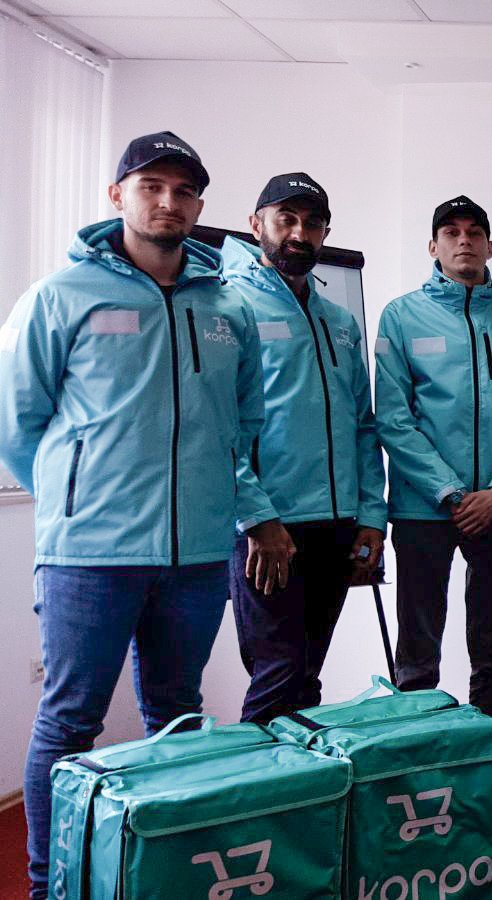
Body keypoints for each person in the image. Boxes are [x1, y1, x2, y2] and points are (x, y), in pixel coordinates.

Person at [0, 132, 264, 899]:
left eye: (183, 191)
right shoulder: (61, 295)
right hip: (90, 555)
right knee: (69, 721)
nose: (167, 202)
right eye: (152, 186)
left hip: (198, 555)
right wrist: (78, 500)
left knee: (178, 716)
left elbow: (243, 424)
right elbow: (18, 422)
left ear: (200, 206)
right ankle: (50, 883)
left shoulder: (229, 306)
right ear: (118, 195)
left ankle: (164, 872)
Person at [373, 196, 492, 714]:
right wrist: (450, 492)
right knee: (417, 655)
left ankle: (489, 744)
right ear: (433, 247)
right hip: (424, 508)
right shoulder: (401, 316)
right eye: (451, 233)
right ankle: (419, 742)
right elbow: (393, 417)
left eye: (475, 232)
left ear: (490, 246)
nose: (464, 241)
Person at [225, 173, 387, 724]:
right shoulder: (230, 307)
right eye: (286, 219)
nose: (299, 232)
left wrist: (371, 517)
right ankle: (255, 778)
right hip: (271, 530)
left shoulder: (338, 321)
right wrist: (257, 518)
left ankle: (303, 778)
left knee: (306, 675)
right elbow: (221, 429)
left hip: (336, 526)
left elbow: (363, 426)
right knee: (277, 673)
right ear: (256, 225)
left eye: (312, 223)